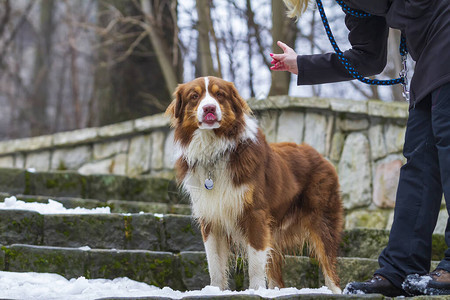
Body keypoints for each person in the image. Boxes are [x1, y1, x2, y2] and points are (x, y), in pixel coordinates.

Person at [270, 0, 450, 296]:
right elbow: (369, 57)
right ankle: (401, 268)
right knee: (419, 163)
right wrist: (302, 65)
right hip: (431, 58)